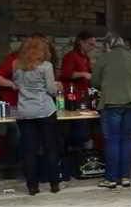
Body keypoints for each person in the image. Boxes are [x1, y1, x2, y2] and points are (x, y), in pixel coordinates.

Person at [91, 33, 131, 189]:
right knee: (127, 140)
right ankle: (126, 177)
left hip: (111, 103)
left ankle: (111, 179)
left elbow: (95, 82)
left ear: (108, 45)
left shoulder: (104, 59)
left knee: (113, 140)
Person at [13, 35, 63, 196]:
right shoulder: (46, 66)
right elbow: (51, 90)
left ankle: (32, 186)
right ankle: (54, 183)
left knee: (29, 150)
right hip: (44, 110)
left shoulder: (17, 65)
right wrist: (57, 86)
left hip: (25, 111)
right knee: (50, 147)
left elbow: (17, 85)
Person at [58, 29, 97, 178]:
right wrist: (83, 74)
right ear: (81, 42)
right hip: (72, 99)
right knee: (76, 131)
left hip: (84, 97)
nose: (92, 47)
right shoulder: (71, 56)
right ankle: (70, 162)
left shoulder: (85, 58)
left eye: (94, 45)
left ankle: (82, 162)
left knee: (84, 129)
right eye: (90, 44)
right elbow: (65, 74)